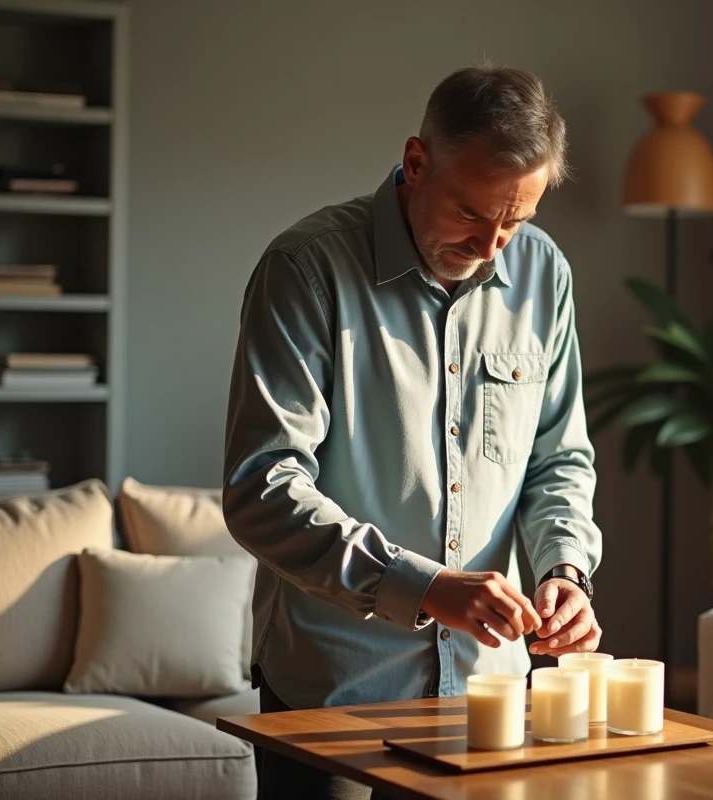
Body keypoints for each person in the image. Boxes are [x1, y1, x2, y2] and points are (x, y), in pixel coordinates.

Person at [222, 64, 603, 800]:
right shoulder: (304, 270)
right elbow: (261, 489)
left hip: (488, 699)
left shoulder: (543, 273)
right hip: (334, 695)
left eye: (516, 220)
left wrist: (565, 571)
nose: (493, 245)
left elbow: (560, 458)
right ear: (417, 161)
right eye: (471, 213)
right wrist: (423, 587)